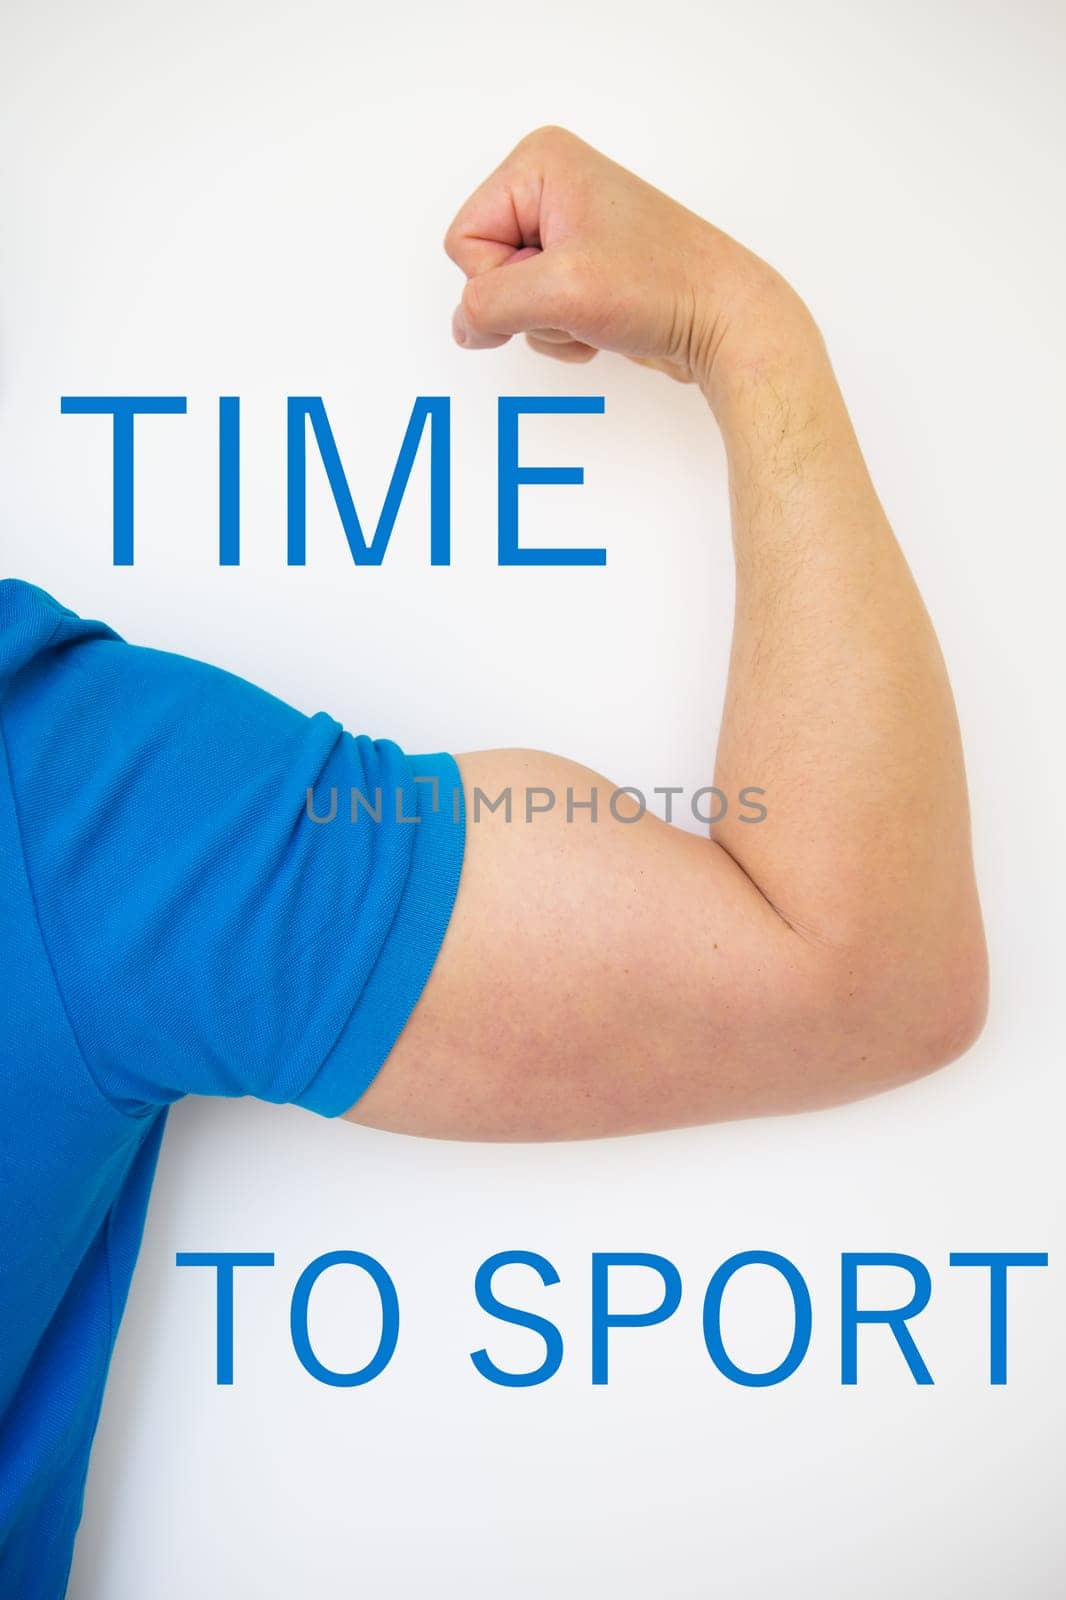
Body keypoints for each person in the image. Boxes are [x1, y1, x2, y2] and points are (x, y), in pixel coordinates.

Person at [0, 127, 987, 1595]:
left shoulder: (66, 787)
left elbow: (852, 968)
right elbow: (849, 962)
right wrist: (744, 330)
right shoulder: (65, 790)